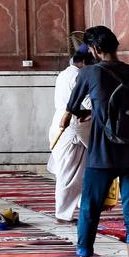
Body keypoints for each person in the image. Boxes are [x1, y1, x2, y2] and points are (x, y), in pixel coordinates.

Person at [58, 25, 129, 257]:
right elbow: (123, 108)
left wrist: (74, 119)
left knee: (89, 210)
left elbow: (72, 109)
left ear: (94, 49)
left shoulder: (90, 72)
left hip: (101, 152)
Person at [48, 42, 93, 222]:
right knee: (70, 174)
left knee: (71, 171)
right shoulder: (79, 76)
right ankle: (62, 214)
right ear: (84, 61)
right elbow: (89, 103)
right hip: (73, 128)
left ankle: (75, 207)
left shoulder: (64, 74)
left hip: (61, 124)